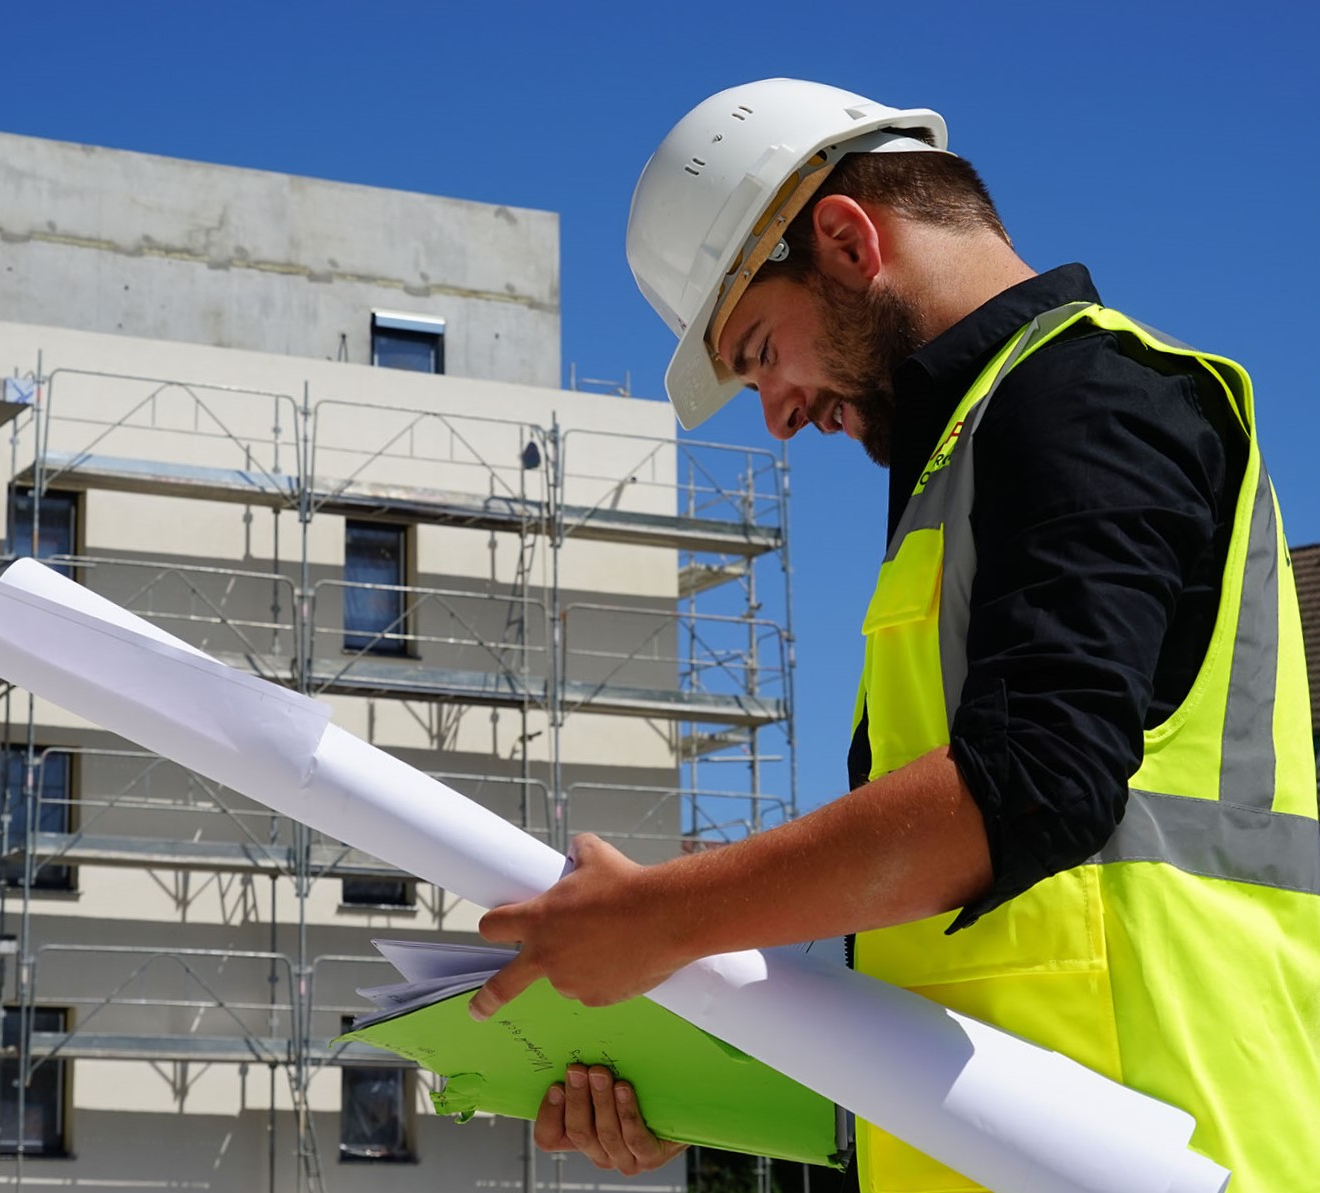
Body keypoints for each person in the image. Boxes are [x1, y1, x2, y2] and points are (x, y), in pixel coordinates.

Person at [466, 79, 1320, 1191]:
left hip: (1175, 1153)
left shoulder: (1086, 397)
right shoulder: (965, 465)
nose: (776, 412)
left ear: (843, 238)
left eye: (762, 350)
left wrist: (659, 916)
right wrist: (704, 1071)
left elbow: (1033, 787)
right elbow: (954, 962)